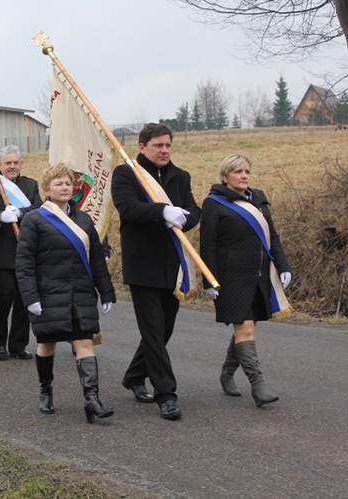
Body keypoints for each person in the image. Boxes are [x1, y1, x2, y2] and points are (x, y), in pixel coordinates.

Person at [111, 122, 201, 420]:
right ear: (142, 147)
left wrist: (184, 218)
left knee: (164, 330)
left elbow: (192, 210)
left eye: (167, 145)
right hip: (142, 264)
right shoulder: (127, 173)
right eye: (158, 145)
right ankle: (166, 394)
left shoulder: (180, 176)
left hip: (172, 267)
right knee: (152, 330)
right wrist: (162, 211)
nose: (164, 151)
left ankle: (134, 376)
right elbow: (128, 208)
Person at [16, 164, 116, 422]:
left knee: (84, 343)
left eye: (68, 183)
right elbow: (24, 264)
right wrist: (31, 298)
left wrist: (106, 292)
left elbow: (96, 260)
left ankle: (92, 400)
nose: (65, 187)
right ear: (46, 189)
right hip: (47, 294)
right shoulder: (34, 219)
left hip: (80, 293)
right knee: (47, 344)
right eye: (59, 183)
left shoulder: (83, 219)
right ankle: (45, 390)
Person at [200, 153, 291, 407]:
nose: (244, 176)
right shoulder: (214, 203)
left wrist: (283, 266)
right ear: (226, 175)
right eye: (238, 172)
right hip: (230, 279)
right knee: (246, 328)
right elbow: (207, 246)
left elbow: (272, 237)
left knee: (246, 328)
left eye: (247, 172)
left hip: (260, 276)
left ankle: (227, 373)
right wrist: (209, 280)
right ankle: (258, 386)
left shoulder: (258, 200)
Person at [0, 145, 42, 360]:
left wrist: (21, 212)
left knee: (25, 298)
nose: (12, 166)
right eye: (8, 163)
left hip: (26, 251)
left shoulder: (30, 185)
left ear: (21, 164)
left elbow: (39, 209)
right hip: (1, 252)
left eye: (16, 162)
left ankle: (18, 344)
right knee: (5, 294)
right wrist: (1, 216)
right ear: (0, 165)